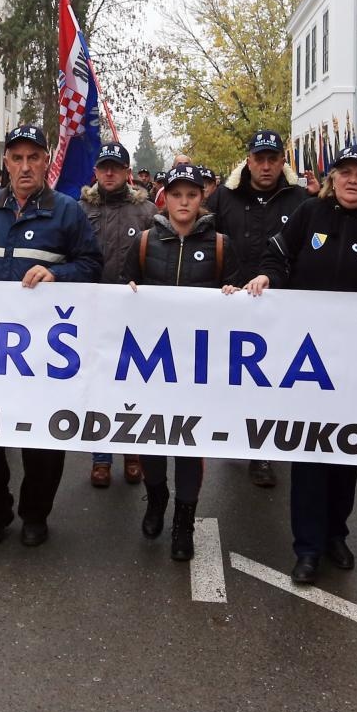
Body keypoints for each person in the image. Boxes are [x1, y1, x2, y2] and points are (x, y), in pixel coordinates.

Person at [246, 144, 357, 584]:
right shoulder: (308, 215)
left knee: (345, 454)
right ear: (332, 177)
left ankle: (337, 533)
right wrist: (269, 276)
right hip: (307, 362)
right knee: (308, 455)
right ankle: (307, 547)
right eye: (344, 172)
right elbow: (277, 257)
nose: (352, 180)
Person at [0, 124, 103, 548]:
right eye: (17, 158)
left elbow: (91, 265)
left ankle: (35, 515)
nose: (25, 166)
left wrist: (57, 272)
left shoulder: (67, 210)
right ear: (6, 163)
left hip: (46, 351)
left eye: (34, 157)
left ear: (47, 160)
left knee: (43, 440)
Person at [122, 164, 240, 560]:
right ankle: (157, 499)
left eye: (191, 194)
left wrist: (233, 293)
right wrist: (130, 290)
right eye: (177, 195)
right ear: (165, 198)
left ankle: (184, 523)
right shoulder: (144, 242)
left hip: (197, 369)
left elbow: (239, 302)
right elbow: (120, 292)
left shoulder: (221, 244)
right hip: (153, 367)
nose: (184, 202)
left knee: (190, 445)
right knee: (152, 440)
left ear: (201, 197)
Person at [207, 128, 307, 489]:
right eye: (259, 159)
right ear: (248, 161)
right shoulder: (224, 197)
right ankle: (232, 430)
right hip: (231, 301)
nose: (265, 166)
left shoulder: (300, 200)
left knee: (268, 380)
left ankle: (259, 449)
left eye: (272, 159)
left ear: (283, 161)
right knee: (231, 375)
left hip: (278, 305)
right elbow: (208, 240)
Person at [82, 141, 155, 487]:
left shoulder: (147, 211)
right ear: (95, 172)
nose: (109, 173)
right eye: (103, 167)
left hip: (135, 315)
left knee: (133, 387)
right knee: (99, 386)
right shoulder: (79, 209)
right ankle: (101, 457)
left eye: (116, 167)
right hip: (92, 313)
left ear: (128, 172)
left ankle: (132, 452)